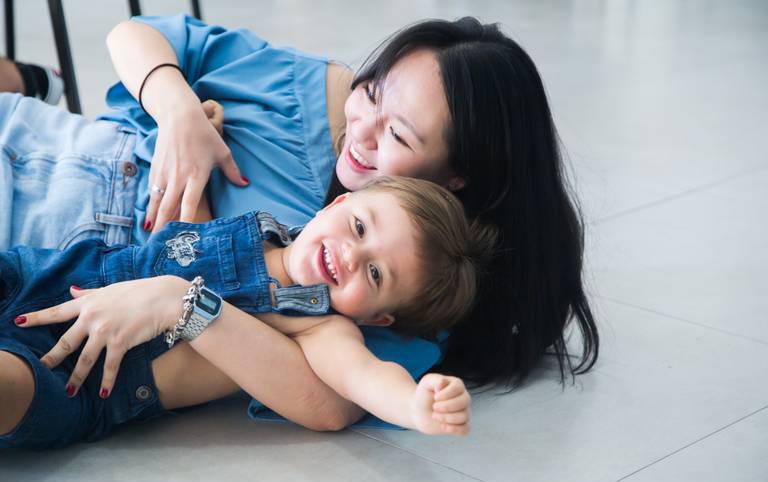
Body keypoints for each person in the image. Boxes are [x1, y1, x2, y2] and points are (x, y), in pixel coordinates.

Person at [0, 14, 599, 434]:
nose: (360, 131)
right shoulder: (310, 102)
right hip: (43, 161)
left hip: (71, 309)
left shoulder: (404, 271)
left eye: (397, 134)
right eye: (373, 93)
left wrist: (179, 303)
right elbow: (134, 33)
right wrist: (179, 113)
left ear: (455, 178)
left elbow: (343, 392)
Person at [1, 177, 495, 448]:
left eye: (375, 275)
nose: (351, 255)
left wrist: (413, 405)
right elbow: (181, 244)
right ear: (338, 203)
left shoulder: (321, 327)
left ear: (378, 320)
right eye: (360, 228)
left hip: (81, 381)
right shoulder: (262, 226)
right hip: (49, 276)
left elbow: (363, 377)